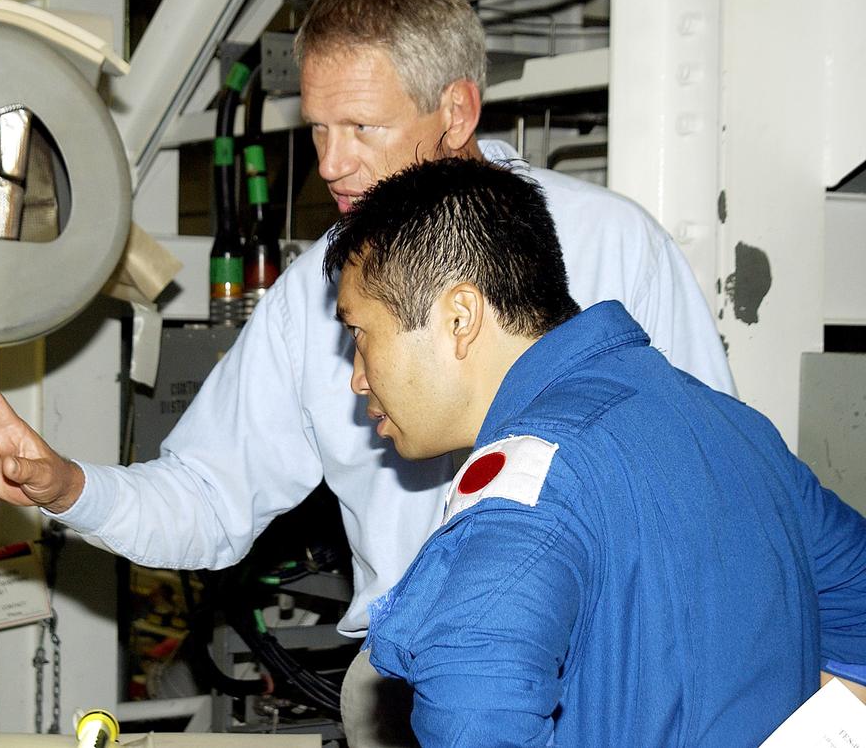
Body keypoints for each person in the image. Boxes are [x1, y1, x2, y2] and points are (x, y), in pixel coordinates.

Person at [0, 0, 734, 746]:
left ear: (455, 109)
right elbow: (211, 499)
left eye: (362, 127)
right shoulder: (314, 296)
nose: (330, 163)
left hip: (611, 682)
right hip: (407, 695)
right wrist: (66, 484)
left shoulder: (611, 247)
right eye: (318, 128)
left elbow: (713, 480)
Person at [325, 156, 866, 747]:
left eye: (359, 334)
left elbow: (475, 721)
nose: (357, 377)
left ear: (460, 316)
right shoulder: (732, 427)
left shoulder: (527, 485)